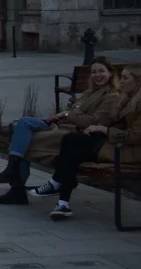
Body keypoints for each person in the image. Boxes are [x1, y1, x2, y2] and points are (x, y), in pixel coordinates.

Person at [0, 56, 122, 205]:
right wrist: (66, 113)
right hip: (62, 124)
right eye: (94, 72)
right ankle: (13, 173)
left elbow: (92, 121)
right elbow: (74, 111)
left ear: (110, 73)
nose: (97, 75)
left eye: (101, 71)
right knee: (23, 124)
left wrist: (69, 113)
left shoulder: (112, 97)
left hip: (75, 134)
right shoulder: (89, 92)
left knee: (24, 139)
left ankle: (16, 185)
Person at [28, 64, 141, 220]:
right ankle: (62, 201)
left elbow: (135, 136)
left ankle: (58, 188)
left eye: (125, 78)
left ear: (137, 81)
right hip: (116, 143)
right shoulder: (127, 98)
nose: (121, 81)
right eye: (121, 77)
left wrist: (105, 130)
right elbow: (112, 120)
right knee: (71, 142)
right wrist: (98, 126)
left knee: (73, 147)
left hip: (129, 151)